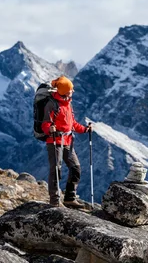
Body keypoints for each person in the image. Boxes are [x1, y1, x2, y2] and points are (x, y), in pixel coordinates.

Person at [41, 76, 92, 208]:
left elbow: (72, 124)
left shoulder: (67, 103)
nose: (73, 91)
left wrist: (85, 129)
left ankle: (69, 198)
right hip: (55, 141)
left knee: (76, 168)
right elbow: (45, 123)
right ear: (64, 91)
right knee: (56, 170)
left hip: (68, 141)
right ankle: (55, 200)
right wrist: (49, 129)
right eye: (70, 89)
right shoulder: (52, 104)